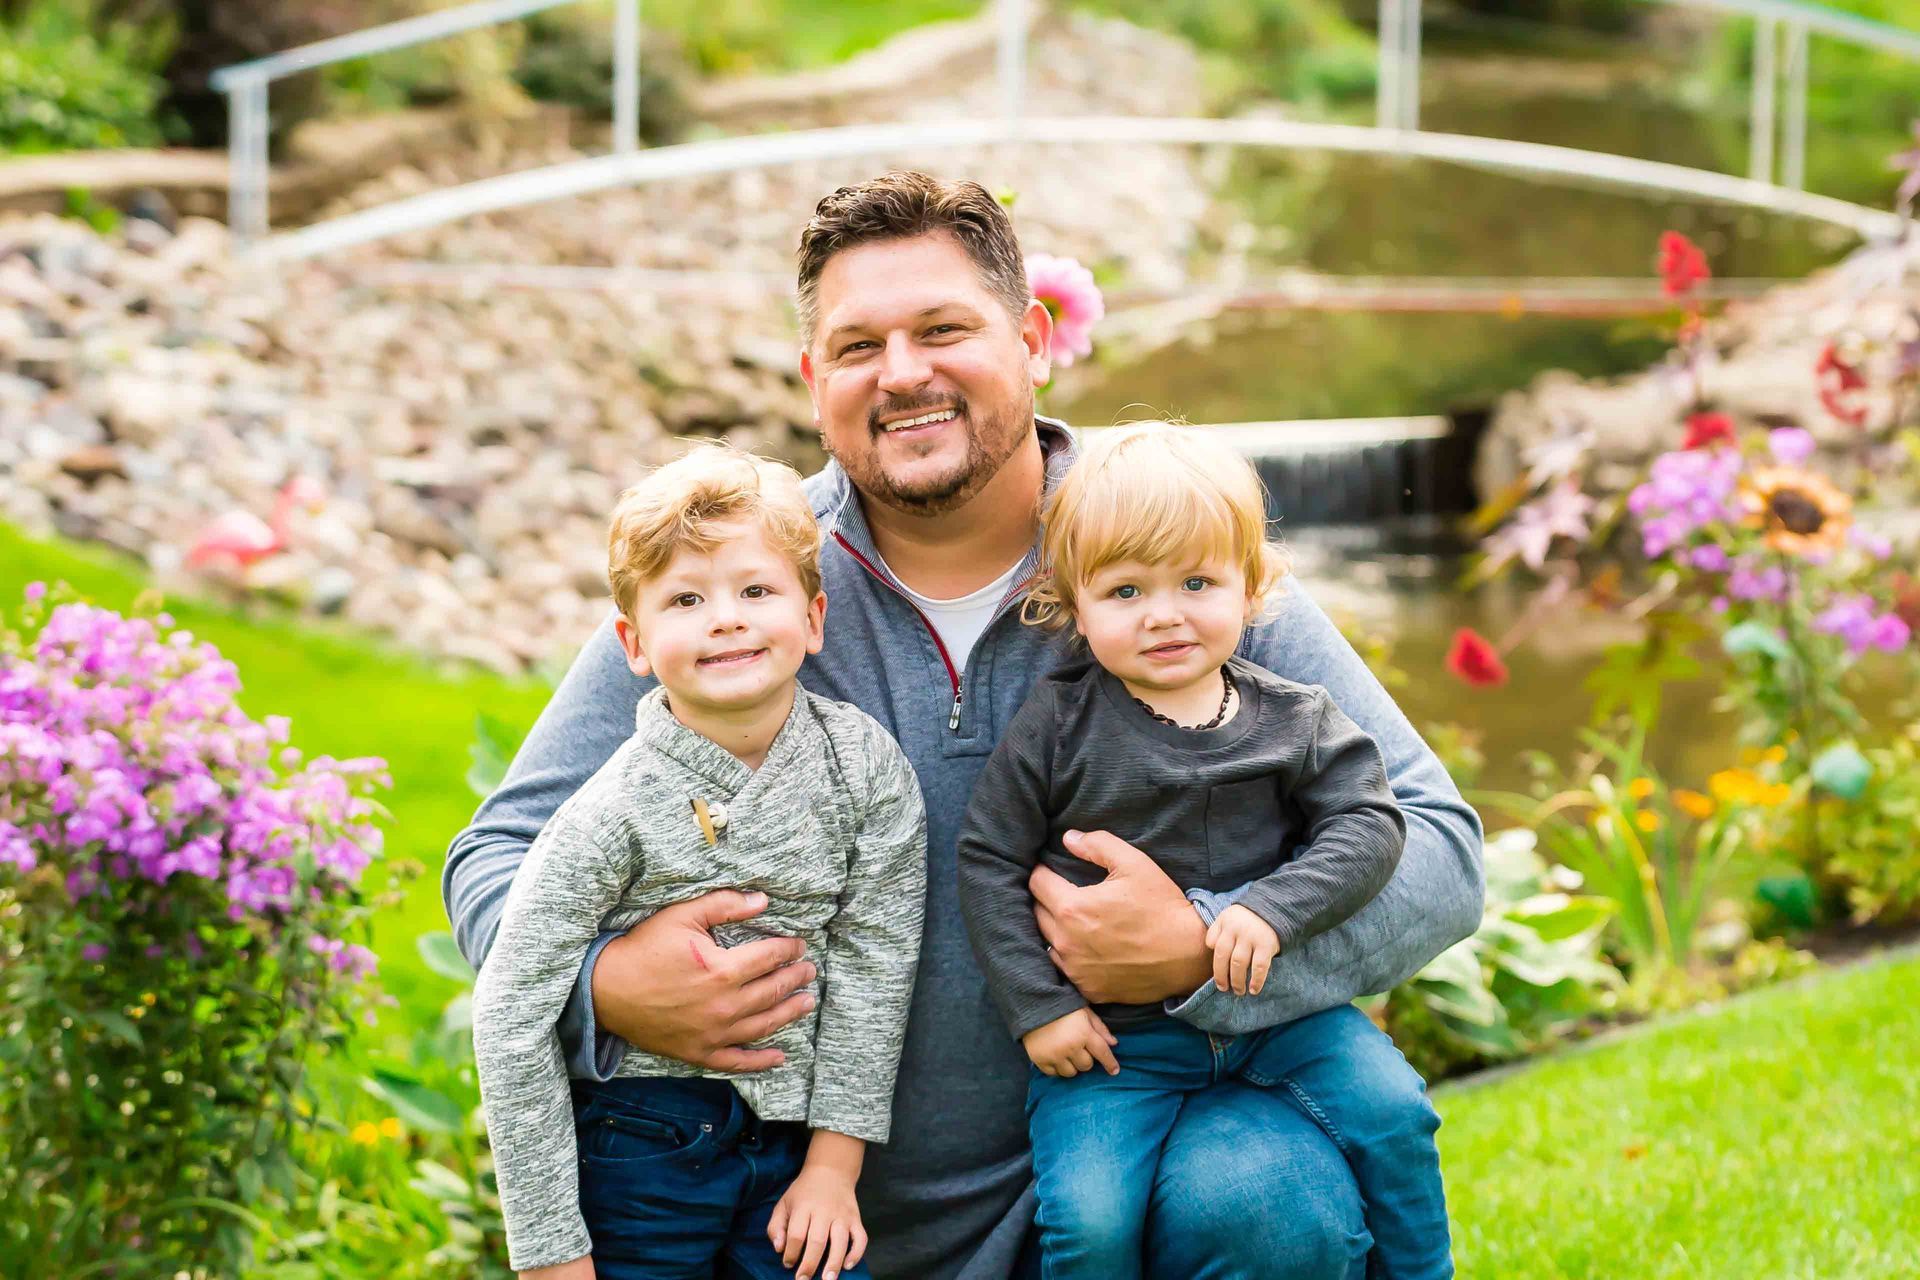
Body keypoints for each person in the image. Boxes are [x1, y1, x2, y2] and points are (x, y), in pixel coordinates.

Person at [445, 170, 1485, 1280]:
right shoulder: (744, 592)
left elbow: (1438, 847)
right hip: (808, 1223)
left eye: (944, 328)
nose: (904, 374)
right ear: (811, 379)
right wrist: (606, 981)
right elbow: (493, 861)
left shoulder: (1165, 553)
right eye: (857, 347)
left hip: (1137, 1148)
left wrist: (1205, 945)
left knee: (1267, 1198)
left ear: (1033, 338)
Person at [956, 422, 1451, 1279]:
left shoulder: (1296, 718)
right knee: (1089, 1220)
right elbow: (989, 859)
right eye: (1124, 592)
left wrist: (1268, 909)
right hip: (1116, 1048)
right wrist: (1038, 1005)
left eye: (1196, 582)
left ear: (1253, 589)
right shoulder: (1058, 729)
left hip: (1282, 1021)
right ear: (1074, 608)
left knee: (1395, 1115)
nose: (1164, 615)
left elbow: (1370, 824)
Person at [470, 445, 927, 1280]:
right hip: (640, 1146)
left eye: (756, 590)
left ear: (815, 618)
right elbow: (510, 1011)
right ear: (633, 643)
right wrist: (550, 1251)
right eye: (686, 599)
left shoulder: (865, 768)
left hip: (795, 1153)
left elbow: (877, 961)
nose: (726, 617)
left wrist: (835, 1165)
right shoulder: (608, 812)